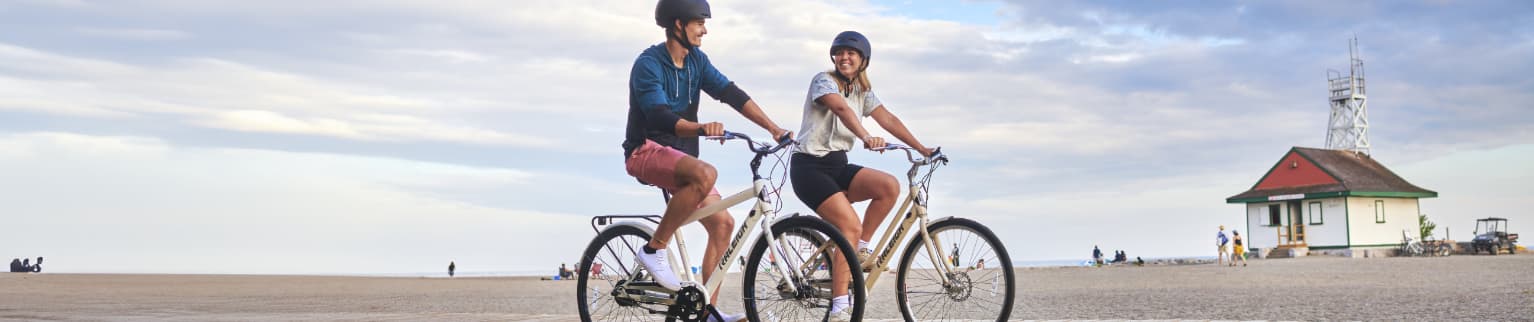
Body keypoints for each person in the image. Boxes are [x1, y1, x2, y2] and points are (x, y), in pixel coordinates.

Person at [626, 1, 792, 321]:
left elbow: (731, 93)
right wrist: (701, 128)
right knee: (707, 173)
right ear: (678, 25)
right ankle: (653, 250)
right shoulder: (648, 64)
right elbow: (658, 116)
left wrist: (773, 128)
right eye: (699, 22)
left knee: (724, 224)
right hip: (644, 150)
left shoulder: (697, 62)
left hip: (681, 157)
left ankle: (706, 312)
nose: (705, 29)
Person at [788, 30, 937, 322]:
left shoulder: (862, 91)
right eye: (840, 53)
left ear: (862, 61)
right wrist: (866, 136)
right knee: (849, 226)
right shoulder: (823, 80)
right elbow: (841, 109)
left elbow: (889, 118)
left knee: (888, 187)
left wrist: (921, 148)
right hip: (808, 168)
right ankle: (840, 304)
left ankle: (858, 249)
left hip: (837, 166)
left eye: (851, 54)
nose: (844, 57)